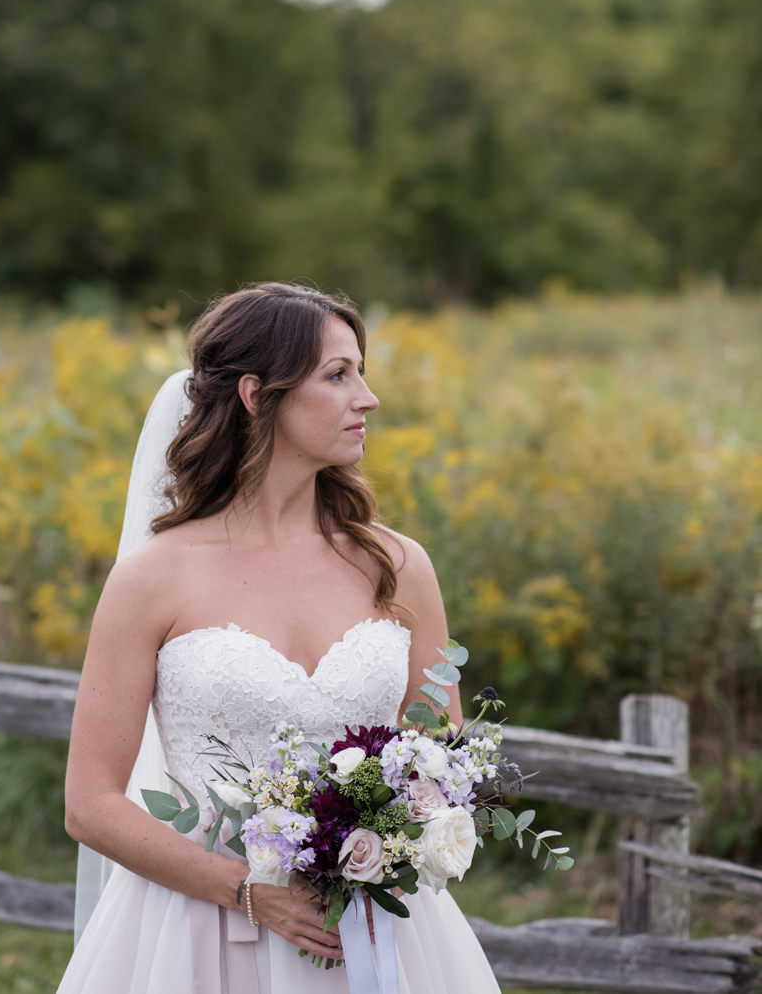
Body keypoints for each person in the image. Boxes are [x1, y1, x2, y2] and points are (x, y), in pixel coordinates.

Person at [56, 282, 500, 993]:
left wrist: (389, 834)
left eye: (361, 371)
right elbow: (90, 804)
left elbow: (440, 758)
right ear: (259, 395)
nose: (368, 398)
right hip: (197, 933)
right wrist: (244, 890)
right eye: (338, 374)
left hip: (371, 925)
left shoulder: (398, 566)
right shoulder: (153, 579)